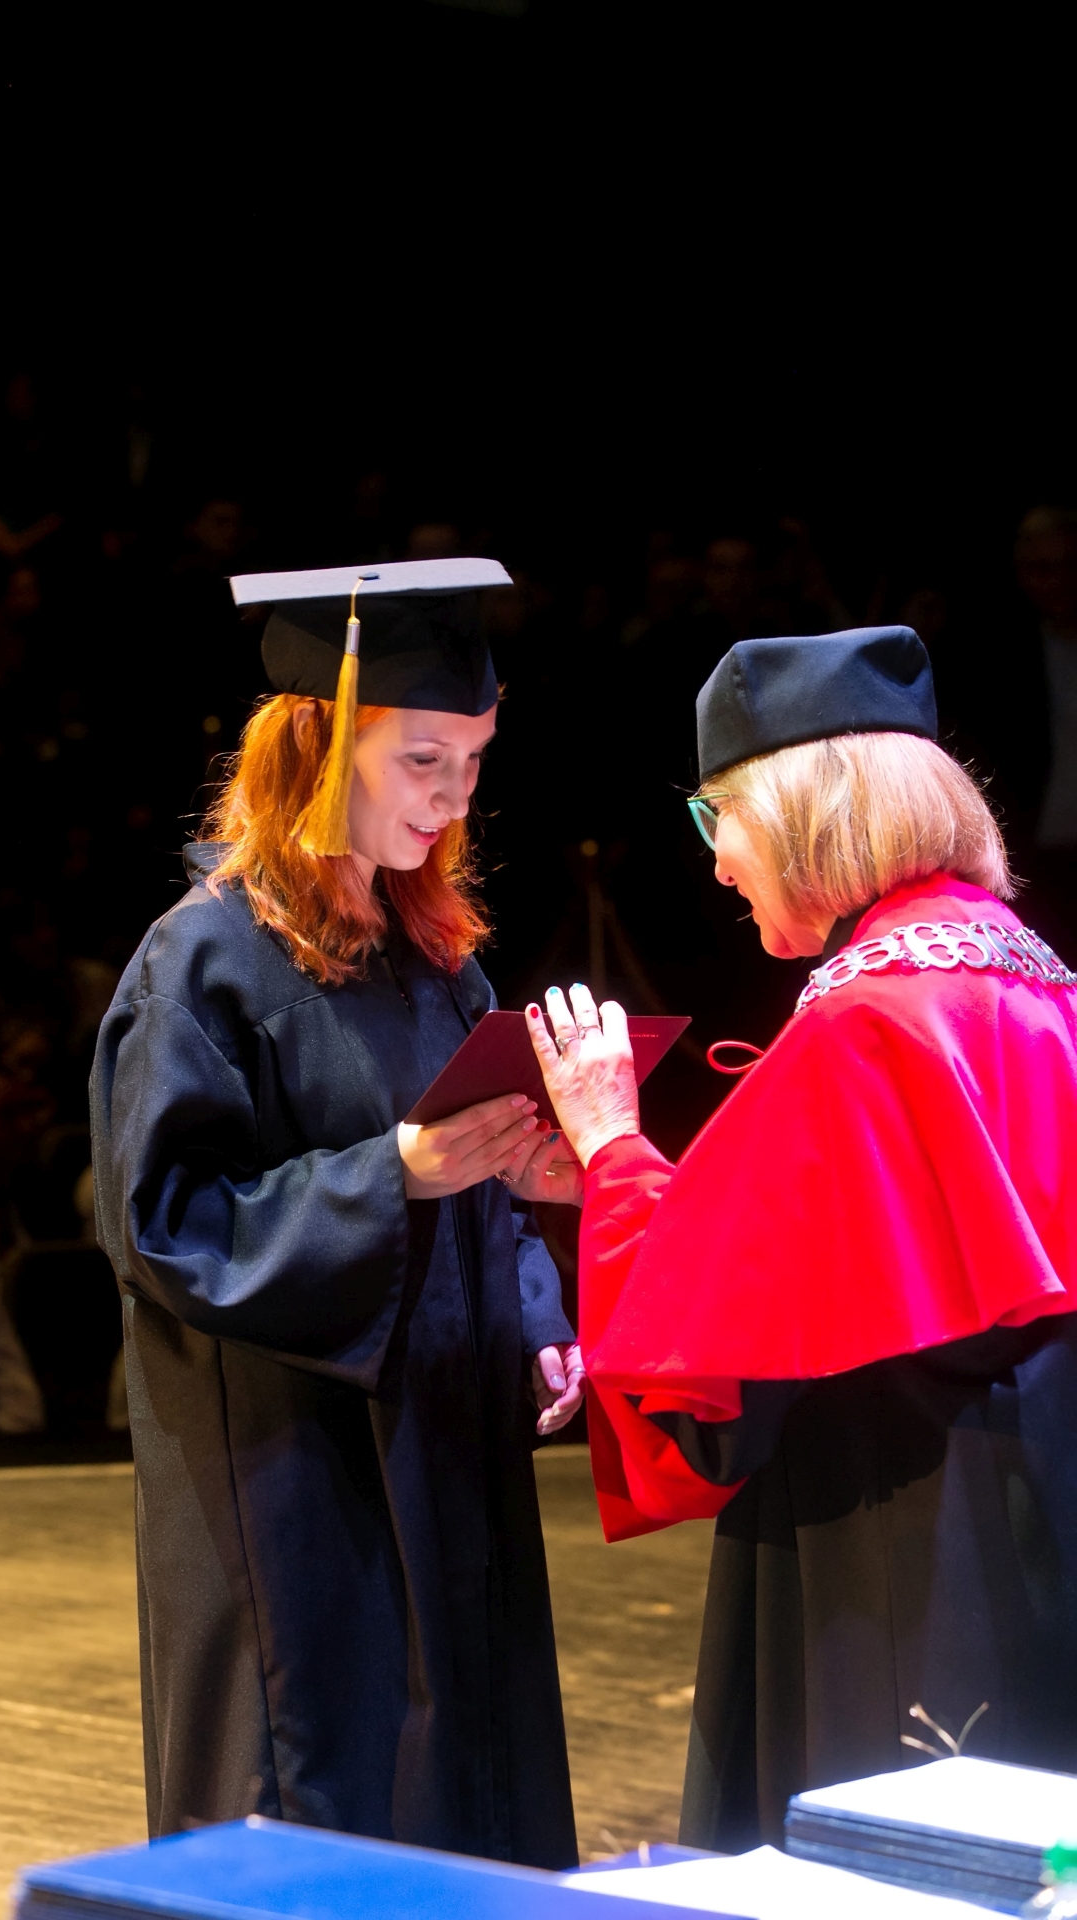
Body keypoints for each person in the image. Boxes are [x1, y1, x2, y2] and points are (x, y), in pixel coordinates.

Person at [527, 626, 1077, 1851]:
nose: (717, 863)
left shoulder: (864, 1021)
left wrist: (609, 1143)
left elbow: (713, 1373)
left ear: (800, 811)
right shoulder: (1027, 976)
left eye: (715, 818)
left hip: (894, 1533)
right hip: (1043, 1502)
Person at [90, 558, 584, 1865]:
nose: (454, 795)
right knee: (325, 1780)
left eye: (472, 762)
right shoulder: (203, 959)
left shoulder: (436, 958)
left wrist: (535, 1309)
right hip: (296, 1471)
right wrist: (390, 1175)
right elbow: (165, 1225)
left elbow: (481, 1183)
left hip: (445, 1444)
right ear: (318, 749)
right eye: (423, 759)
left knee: (462, 1772)